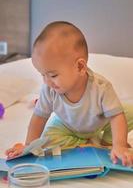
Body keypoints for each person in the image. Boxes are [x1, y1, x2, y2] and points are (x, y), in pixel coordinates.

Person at [6, 21, 133, 166]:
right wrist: (28, 146)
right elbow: (38, 118)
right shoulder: (49, 89)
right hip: (66, 126)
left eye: (53, 75)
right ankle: (85, 143)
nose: (47, 82)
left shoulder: (101, 87)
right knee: (46, 141)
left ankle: (108, 142)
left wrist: (120, 144)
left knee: (125, 114)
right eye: (42, 75)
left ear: (80, 66)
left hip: (100, 123)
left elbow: (116, 116)